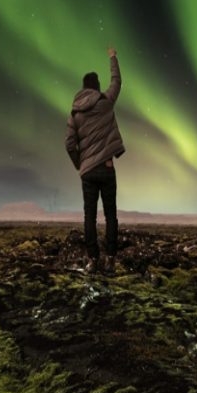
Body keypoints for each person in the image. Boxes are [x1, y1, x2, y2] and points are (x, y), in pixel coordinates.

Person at [65, 47, 125, 274]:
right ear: (97, 87)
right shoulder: (106, 101)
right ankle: (110, 260)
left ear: (82, 89)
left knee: (89, 216)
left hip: (88, 172)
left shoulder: (74, 114)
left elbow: (69, 144)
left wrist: (80, 163)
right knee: (111, 215)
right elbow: (117, 81)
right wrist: (112, 57)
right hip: (107, 169)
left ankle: (92, 261)